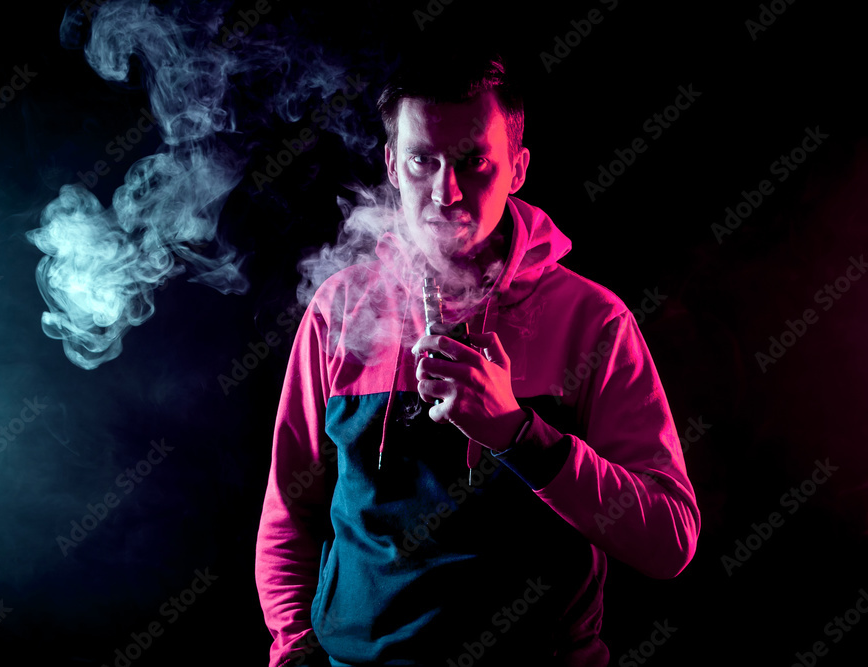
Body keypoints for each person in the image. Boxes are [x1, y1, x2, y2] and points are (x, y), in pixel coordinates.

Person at [255, 52, 700, 667]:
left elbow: (668, 541)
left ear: (518, 167)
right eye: (422, 161)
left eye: (474, 161)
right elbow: (288, 512)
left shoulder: (592, 320)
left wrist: (517, 435)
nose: (447, 191)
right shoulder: (341, 308)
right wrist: (295, 652)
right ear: (391, 165)